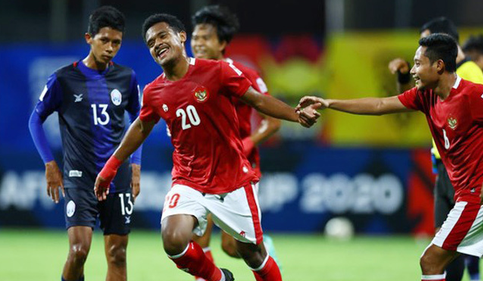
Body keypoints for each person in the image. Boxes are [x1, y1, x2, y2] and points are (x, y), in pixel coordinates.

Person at [94, 13, 319, 281]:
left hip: (232, 179)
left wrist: (296, 115)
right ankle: (218, 278)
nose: (157, 44)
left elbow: (258, 100)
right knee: (173, 239)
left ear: (180, 37)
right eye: (151, 42)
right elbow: (142, 126)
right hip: (188, 180)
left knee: (253, 255)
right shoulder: (154, 92)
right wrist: (110, 167)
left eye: (163, 36)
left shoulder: (217, 71)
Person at [298, 33, 483, 281]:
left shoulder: (473, 95)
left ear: (438, 65)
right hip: (478, 195)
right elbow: (380, 105)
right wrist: (328, 102)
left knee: (430, 261)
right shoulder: (426, 96)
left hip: (479, 194)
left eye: (418, 63)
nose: (413, 70)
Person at [28, 6, 142, 281]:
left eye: (116, 42)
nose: (110, 48)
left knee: (118, 254)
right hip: (80, 177)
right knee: (79, 250)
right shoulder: (64, 79)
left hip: (117, 176)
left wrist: (135, 165)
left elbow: (140, 121)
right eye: (105, 40)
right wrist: (50, 164)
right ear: (88, 38)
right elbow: (35, 119)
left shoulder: (127, 78)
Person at [388, 17, 483, 281]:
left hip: (467, 171)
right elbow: (408, 99)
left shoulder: (468, 73)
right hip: (444, 167)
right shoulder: (433, 82)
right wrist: (402, 76)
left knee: (445, 249)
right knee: (448, 242)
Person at [189, 6, 282, 279]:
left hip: (237, 167)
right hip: (201, 169)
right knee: (196, 239)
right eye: (195, 37)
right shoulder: (186, 74)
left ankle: (268, 256)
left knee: (235, 246)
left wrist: (247, 142)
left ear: (223, 43)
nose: (198, 43)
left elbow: (272, 121)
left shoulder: (243, 74)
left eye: (206, 37)